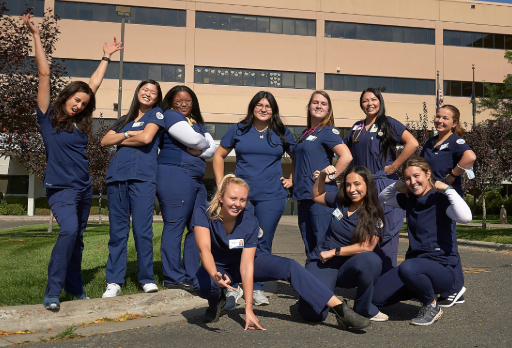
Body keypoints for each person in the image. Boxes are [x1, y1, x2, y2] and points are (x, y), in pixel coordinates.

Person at [24, 14, 123, 310]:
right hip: (61, 189)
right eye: (75, 100)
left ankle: (75, 285)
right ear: (65, 97)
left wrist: (105, 57)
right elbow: (44, 74)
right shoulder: (48, 120)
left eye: (83, 102)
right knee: (67, 231)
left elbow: (93, 83)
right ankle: (52, 291)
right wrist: (37, 37)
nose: (78, 104)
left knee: (77, 238)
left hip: (83, 188)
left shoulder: (81, 123)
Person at [192, 174, 371, 331]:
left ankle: (341, 310)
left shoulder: (249, 220)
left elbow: (247, 266)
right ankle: (217, 300)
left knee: (290, 266)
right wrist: (214, 273)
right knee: (203, 284)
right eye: (233, 198)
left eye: (242, 200)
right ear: (221, 197)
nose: (237, 204)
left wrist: (248, 308)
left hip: (244, 263)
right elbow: (204, 250)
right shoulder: (204, 213)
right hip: (217, 266)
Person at [213, 91, 295, 309]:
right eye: (259, 105)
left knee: (263, 241)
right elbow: (218, 155)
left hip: (272, 196)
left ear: (274, 109)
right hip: (242, 199)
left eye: (268, 106)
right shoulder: (239, 129)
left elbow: (300, 156)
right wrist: (222, 185)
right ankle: (234, 286)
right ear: (253, 107)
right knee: (237, 241)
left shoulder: (281, 132)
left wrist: (292, 178)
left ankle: (257, 288)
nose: (264, 109)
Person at [373, 156, 472, 326]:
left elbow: (466, 218)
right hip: (415, 267)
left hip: (442, 269)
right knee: (375, 298)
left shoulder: (440, 198)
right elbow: (383, 198)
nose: (412, 182)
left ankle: (431, 305)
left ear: (428, 174)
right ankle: (420, 289)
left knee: (408, 266)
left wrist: (448, 188)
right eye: (407, 178)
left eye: (416, 176)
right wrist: (398, 185)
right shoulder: (410, 199)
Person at [100, 80, 165, 298]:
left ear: (157, 98)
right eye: (145, 90)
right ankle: (114, 281)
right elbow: (104, 141)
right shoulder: (123, 120)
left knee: (142, 230)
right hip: (117, 177)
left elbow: (147, 138)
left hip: (142, 179)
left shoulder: (156, 115)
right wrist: (128, 135)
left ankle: (146, 278)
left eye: (153, 92)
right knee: (117, 232)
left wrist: (121, 139)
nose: (148, 94)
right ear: (138, 92)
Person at [298, 165, 388, 322]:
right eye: (348, 184)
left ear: (368, 184)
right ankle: (320, 293)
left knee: (372, 260)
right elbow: (317, 196)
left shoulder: (374, 212)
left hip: (348, 267)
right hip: (323, 263)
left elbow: (367, 246)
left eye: (357, 184)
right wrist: (322, 176)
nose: (352, 189)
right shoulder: (341, 200)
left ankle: (364, 308)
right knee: (312, 314)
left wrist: (334, 252)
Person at [343, 87, 418, 273]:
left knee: (385, 233)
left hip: (383, 184)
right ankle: (367, 279)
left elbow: (413, 143)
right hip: (361, 188)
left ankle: (386, 281)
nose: (370, 103)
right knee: (364, 233)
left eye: (373, 99)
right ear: (361, 104)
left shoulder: (388, 123)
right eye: (365, 100)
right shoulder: (356, 128)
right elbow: (343, 152)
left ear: (380, 101)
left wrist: (394, 167)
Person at [157, 85, 216, 292]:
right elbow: (196, 140)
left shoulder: (195, 122)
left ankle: (191, 273)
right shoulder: (170, 115)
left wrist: (201, 147)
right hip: (176, 173)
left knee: (197, 226)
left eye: (188, 101)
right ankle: (172, 276)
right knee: (175, 224)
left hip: (196, 178)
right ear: (171, 102)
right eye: (179, 100)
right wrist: (202, 144)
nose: (183, 104)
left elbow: (211, 149)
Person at [420, 104, 476, 308]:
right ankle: (446, 287)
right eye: (437, 117)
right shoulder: (431, 141)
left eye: (445, 118)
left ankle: (455, 290)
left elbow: (470, 157)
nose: (440, 121)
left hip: (447, 199)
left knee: (447, 242)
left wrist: (453, 174)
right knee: (438, 242)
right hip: (431, 199)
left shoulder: (455, 141)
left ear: (454, 122)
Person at [293, 91, 352, 256]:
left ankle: (325, 279)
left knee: (322, 241)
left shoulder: (327, 131)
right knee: (308, 241)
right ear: (309, 106)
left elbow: (346, 156)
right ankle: (312, 277)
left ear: (328, 110)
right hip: (304, 195)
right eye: (315, 102)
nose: (318, 106)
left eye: (323, 104)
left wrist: (330, 177)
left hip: (321, 195)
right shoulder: (307, 133)